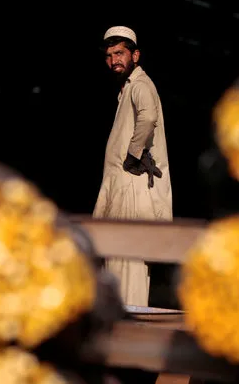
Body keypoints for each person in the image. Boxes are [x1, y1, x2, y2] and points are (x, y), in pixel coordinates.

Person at [93, 26, 173, 307]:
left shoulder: (140, 85)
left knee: (128, 263)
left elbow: (148, 117)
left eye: (120, 53)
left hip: (131, 188)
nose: (114, 59)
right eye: (109, 55)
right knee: (116, 262)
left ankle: (129, 325)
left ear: (135, 55)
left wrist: (133, 154)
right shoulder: (129, 89)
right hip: (121, 187)